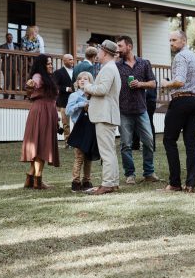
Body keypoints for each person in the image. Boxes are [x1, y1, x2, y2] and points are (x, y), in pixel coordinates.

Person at [159, 31, 195, 193]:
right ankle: (190, 184)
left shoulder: (180, 57)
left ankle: (175, 183)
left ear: (184, 40)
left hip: (181, 100)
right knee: (190, 142)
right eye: (169, 40)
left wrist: (166, 83)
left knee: (169, 140)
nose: (171, 43)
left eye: (174, 40)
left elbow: (179, 81)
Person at [116, 36, 159, 184]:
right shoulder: (117, 66)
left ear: (129, 46)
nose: (118, 49)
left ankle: (149, 172)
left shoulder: (144, 63)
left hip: (141, 109)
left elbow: (153, 83)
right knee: (126, 144)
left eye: (120, 46)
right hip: (123, 110)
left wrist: (140, 84)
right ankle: (130, 174)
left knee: (148, 141)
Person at [84, 40, 122, 195]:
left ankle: (107, 184)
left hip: (105, 115)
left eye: (99, 51)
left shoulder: (108, 69)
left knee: (106, 152)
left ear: (105, 52)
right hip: (108, 114)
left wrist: (87, 87)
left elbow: (102, 90)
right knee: (109, 151)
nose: (97, 54)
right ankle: (112, 182)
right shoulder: (112, 67)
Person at [20, 54, 59, 189]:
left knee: (40, 144)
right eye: (48, 64)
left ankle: (30, 179)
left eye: (51, 63)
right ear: (42, 65)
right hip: (42, 112)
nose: (51, 65)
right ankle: (38, 180)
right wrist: (30, 85)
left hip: (46, 111)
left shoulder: (48, 78)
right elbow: (33, 84)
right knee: (42, 145)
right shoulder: (39, 76)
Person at [65, 71, 98, 192]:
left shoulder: (93, 95)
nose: (82, 80)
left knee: (88, 156)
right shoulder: (74, 96)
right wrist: (81, 104)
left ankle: (87, 181)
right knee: (79, 156)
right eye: (80, 79)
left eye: (86, 79)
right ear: (77, 82)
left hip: (91, 129)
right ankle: (76, 181)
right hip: (79, 129)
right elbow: (68, 111)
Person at [52, 54, 76, 141]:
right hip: (64, 101)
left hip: (75, 100)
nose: (72, 61)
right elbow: (55, 85)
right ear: (64, 61)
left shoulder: (76, 71)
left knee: (77, 122)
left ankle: (76, 141)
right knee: (66, 123)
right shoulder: (58, 72)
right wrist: (66, 89)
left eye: (72, 59)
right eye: (69, 59)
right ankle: (67, 141)